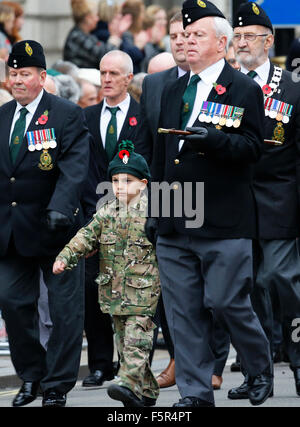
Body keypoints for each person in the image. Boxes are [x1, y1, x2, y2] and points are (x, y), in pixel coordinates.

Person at [145, 0, 273, 407]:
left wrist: (215, 140)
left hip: (222, 218)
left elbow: (254, 148)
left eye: (198, 34)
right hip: (176, 219)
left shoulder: (243, 88)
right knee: (183, 313)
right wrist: (157, 211)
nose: (188, 41)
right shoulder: (173, 89)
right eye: (185, 35)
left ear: (221, 44)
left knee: (225, 302)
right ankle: (196, 393)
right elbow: (162, 156)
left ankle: (259, 365)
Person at [0, 40, 90, 407]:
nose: (17, 80)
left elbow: (74, 167)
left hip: (56, 229)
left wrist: (61, 207)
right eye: (13, 74)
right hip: (11, 231)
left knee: (65, 310)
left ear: (41, 77)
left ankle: (57, 384)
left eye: (24, 74)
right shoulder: (3, 117)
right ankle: (32, 376)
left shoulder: (65, 114)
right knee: (12, 303)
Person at [228, 1, 300, 400]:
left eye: (249, 36)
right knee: (245, 291)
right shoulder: (224, 85)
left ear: (269, 41)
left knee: (278, 280)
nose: (241, 43)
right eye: (236, 36)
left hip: (279, 202)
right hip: (235, 205)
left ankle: (299, 358)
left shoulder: (291, 86)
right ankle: (258, 374)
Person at [53, 141, 160, 407]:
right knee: (125, 345)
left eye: (127, 180)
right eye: (115, 180)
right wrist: (65, 256)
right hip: (114, 293)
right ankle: (146, 391)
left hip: (144, 293)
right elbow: (86, 237)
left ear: (144, 184)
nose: (120, 186)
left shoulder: (154, 214)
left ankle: (126, 383)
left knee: (137, 340)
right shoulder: (106, 212)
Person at [135, 12, 190, 390]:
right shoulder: (155, 84)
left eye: (186, 35)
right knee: (171, 287)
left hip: (206, 197)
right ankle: (178, 358)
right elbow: (147, 147)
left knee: (212, 290)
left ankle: (213, 362)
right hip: (165, 197)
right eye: (173, 36)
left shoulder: (219, 83)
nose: (180, 42)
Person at [81, 50, 140, 388]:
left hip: (133, 217)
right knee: (95, 291)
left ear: (128, 79)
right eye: (103, 73)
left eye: (113, 74)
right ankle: (100, 363)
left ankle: (130, 362)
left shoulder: (142, 115)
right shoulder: (86, 117)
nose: (106, 79)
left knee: (132, 292)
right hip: (95, 215)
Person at [63, 0, 124, 69]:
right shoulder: (77, 37)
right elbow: (104, 56)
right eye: (96, 15)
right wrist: (113, 40)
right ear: (88, 18)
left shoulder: (84, 34)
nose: (98, 19)